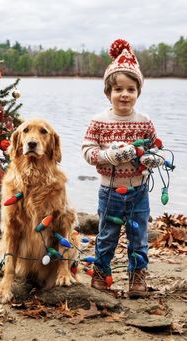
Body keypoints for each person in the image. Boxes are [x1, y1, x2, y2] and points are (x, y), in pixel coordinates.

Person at [82, 39, 164, 298]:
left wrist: (152, 159)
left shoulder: (144, 122)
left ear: (138, 92)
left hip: (139, 191)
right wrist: (112, 156)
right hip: (109, 192)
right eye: (118, 89)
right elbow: (88, 153)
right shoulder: (99, 121)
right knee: (107, 235)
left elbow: (154, 149)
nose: (124, 94)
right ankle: (101, 275)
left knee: (138, 237)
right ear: (108, 93)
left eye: (130, 89)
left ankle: (137, 279)